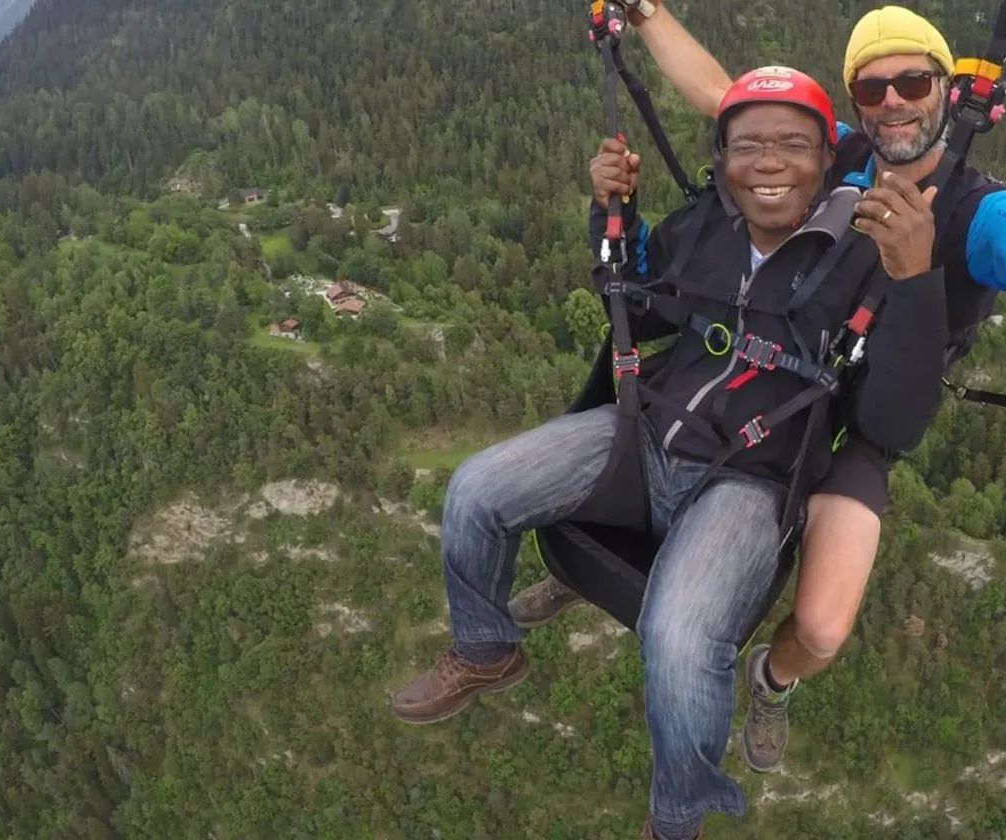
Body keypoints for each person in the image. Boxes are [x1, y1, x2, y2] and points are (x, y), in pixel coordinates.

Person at [509, 1, 1006, 776]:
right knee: (660, 439)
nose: (893, 103)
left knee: (821, 625)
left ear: (947, 89)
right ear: (854, 101)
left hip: (861, 414)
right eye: (872, 88)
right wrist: (646, 14)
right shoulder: (840, 152)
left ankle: (773, 680)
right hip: (781, 367)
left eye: (913, 83)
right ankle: (587, 574)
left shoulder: (976, 210)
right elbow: (721, 94)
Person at [392, 66, 955, 840]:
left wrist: (917, 283)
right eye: (747, 145)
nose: (768, 162)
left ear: (829, 160)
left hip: (749, 482)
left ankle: (677, 818)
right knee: (475, 489)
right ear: (722, 159)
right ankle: (487, 648)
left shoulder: (869, 258)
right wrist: (612, 211)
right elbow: (631, 296)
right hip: (648, 433)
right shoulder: (705, 228)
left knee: (681, 639)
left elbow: (892, 423)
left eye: (793, 145)